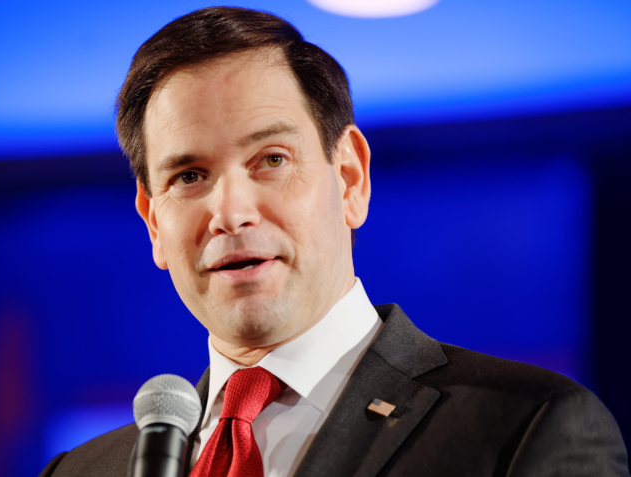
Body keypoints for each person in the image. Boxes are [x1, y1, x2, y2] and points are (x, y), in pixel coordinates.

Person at [40, 6, 629, 477]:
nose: (230, 213)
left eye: (272, 159)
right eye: (189, 176)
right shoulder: (81, 472)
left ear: (349, 178)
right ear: (153, 223)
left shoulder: (522, 428)